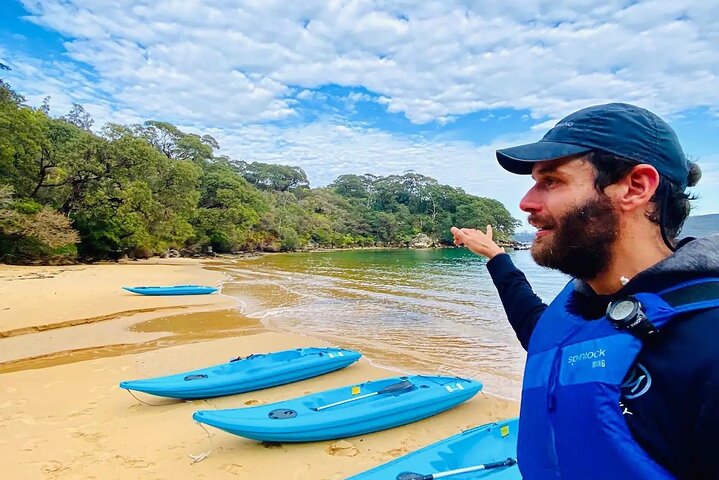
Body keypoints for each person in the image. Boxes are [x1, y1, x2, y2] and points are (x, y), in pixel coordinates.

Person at [450, 103, 719, 480]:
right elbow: (541, 331)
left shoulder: (709, 342)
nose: (526, 203)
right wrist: (496, 257)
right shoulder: (578, 307)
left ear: (635, 187)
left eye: (551, 181)